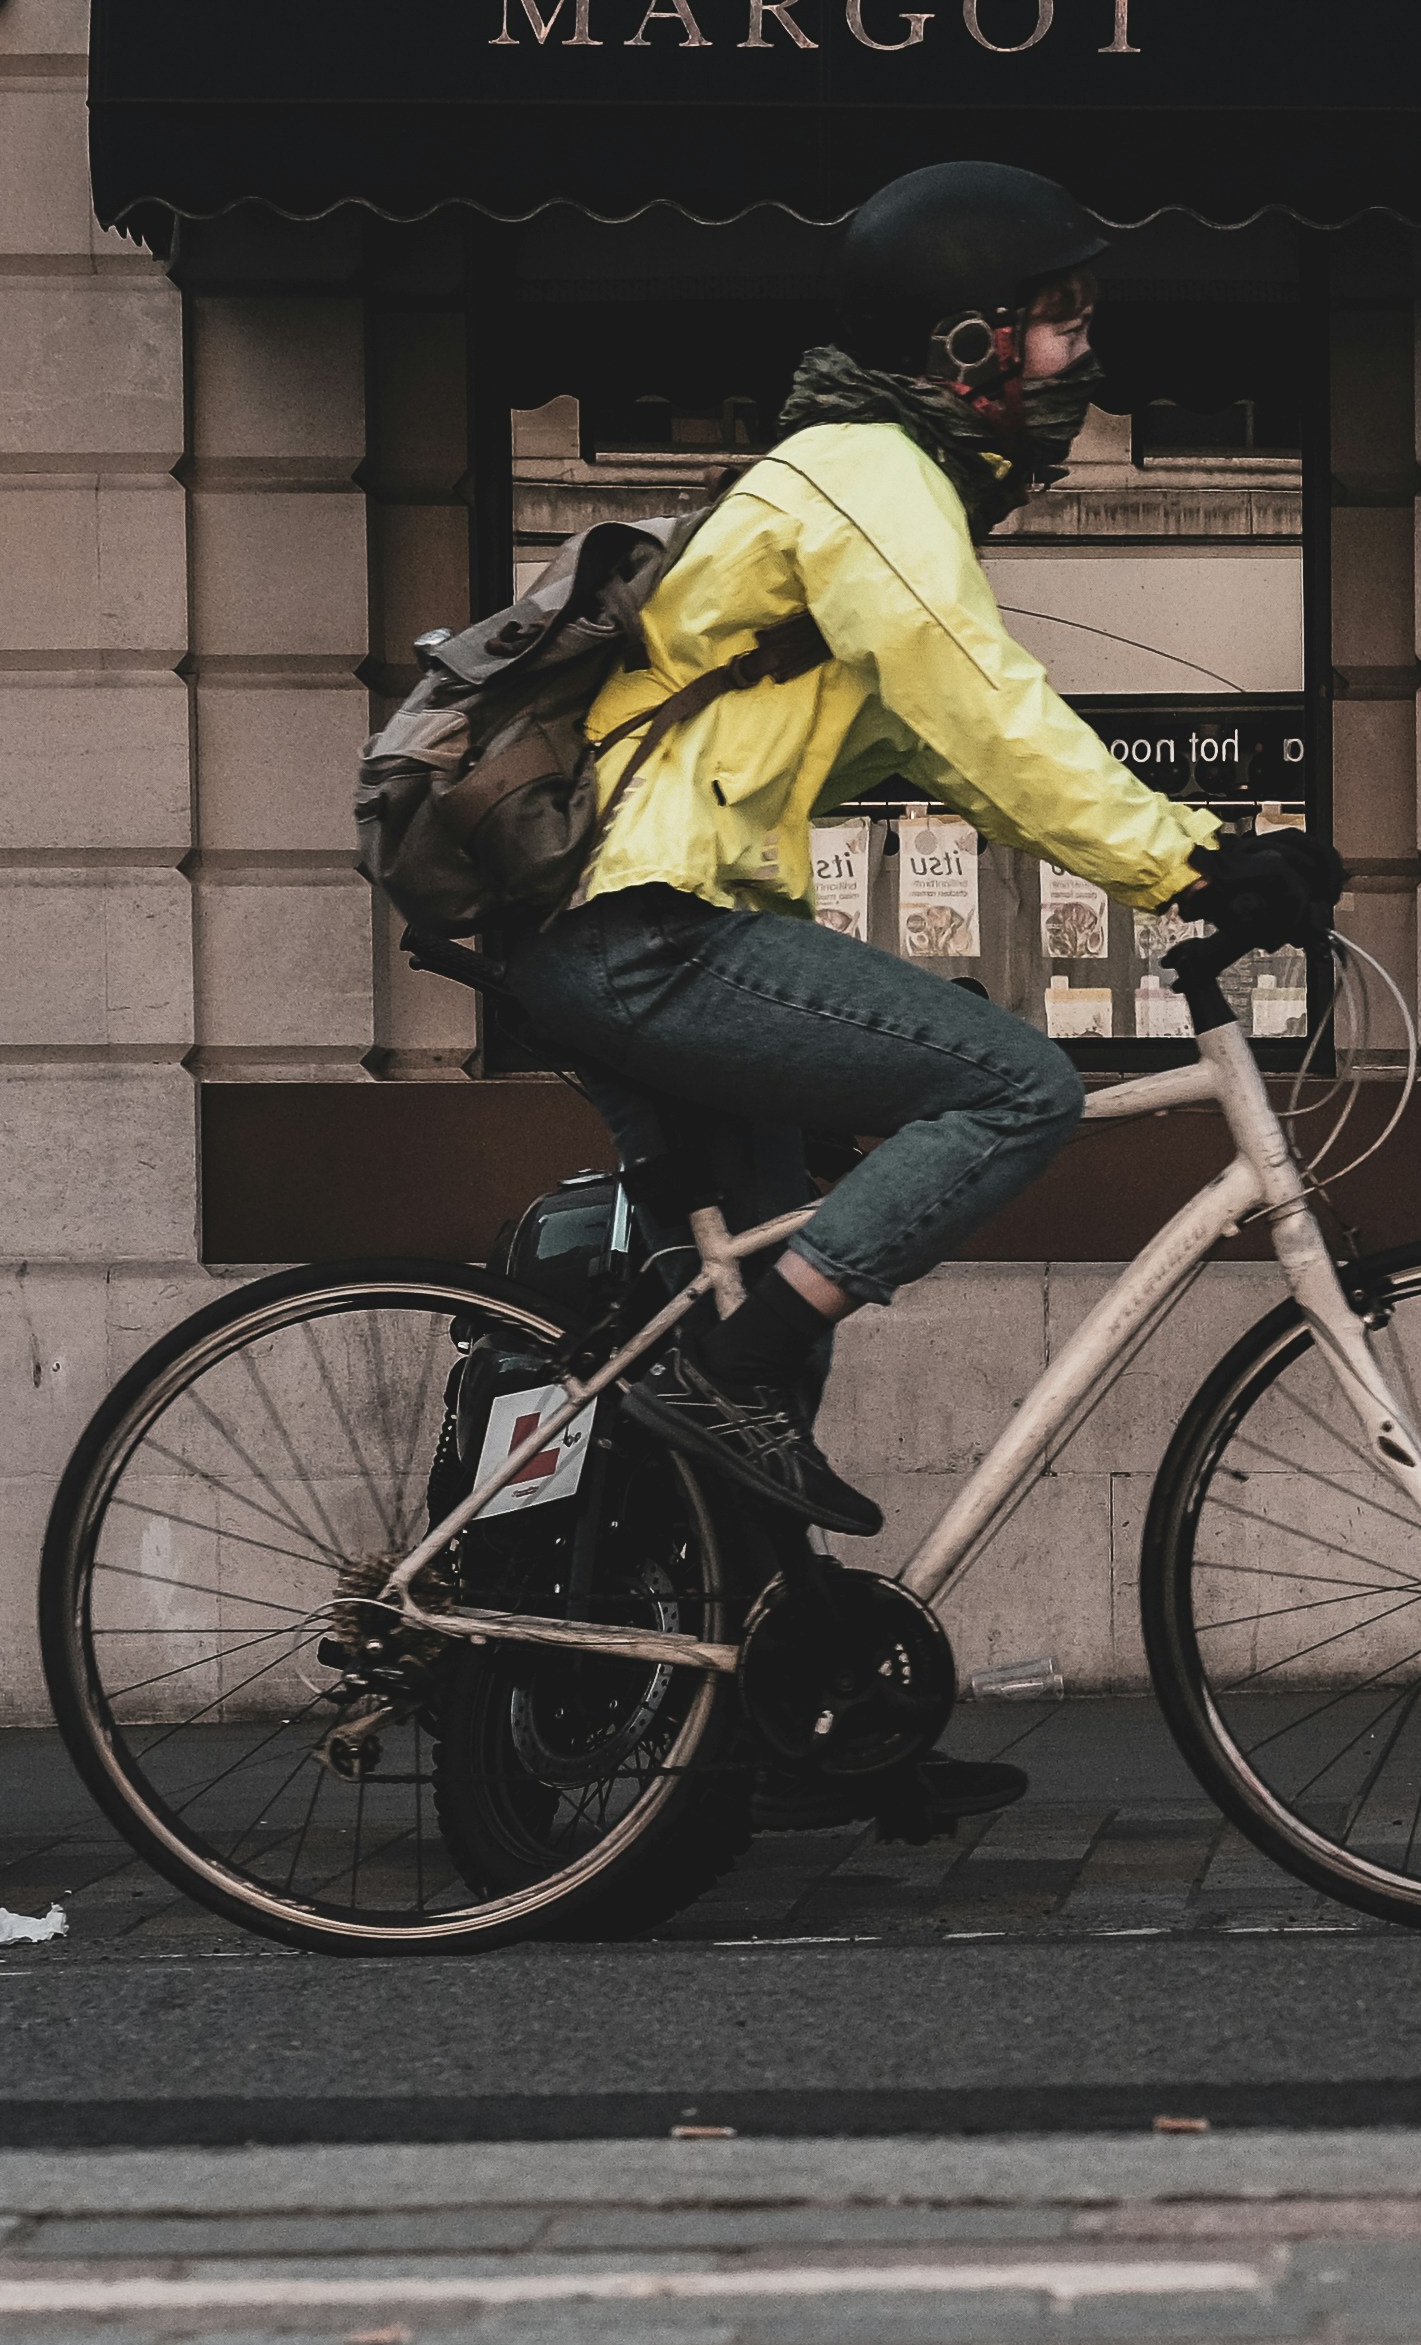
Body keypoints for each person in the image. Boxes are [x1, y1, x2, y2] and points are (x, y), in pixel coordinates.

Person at [501, 159, 1344, 1592]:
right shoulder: (869, 474)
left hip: (630, 933)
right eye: (1062, 321)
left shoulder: (867, 482)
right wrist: (1192, 862)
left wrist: (1167, 861)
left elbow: (942, 757)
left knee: (768, 1322)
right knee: (1017, 1086)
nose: (1088, 353)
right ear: (971, 342)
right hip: (647, 930)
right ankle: (730, 1374)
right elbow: (984, 706)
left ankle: (775, 1674)